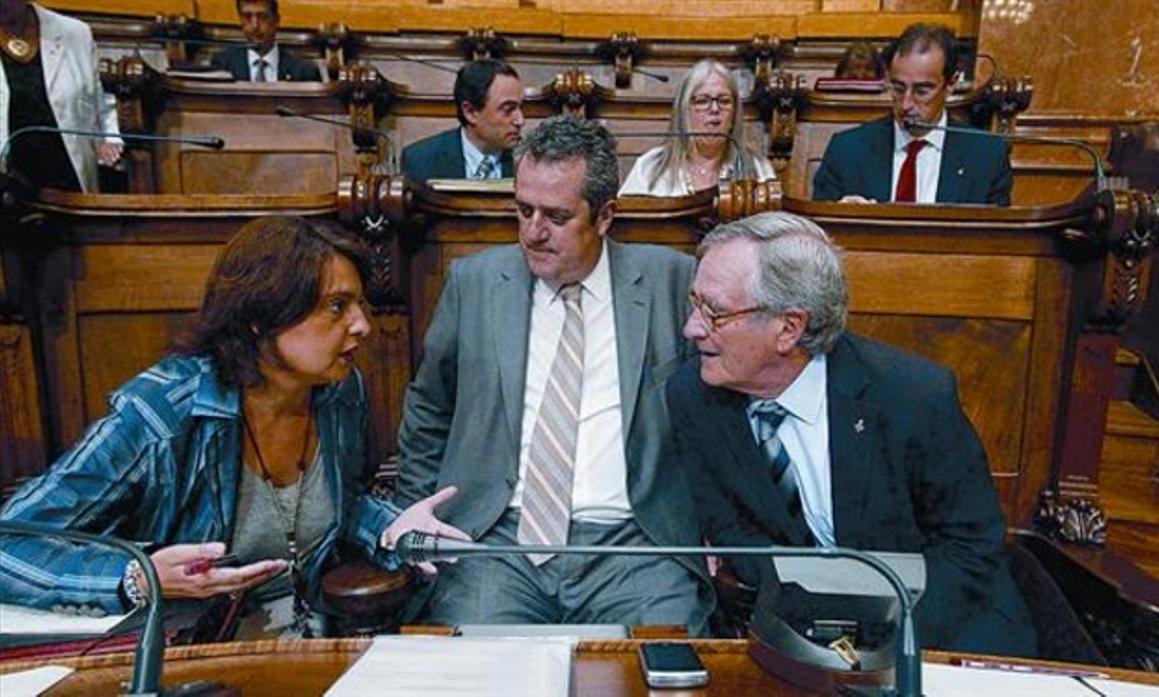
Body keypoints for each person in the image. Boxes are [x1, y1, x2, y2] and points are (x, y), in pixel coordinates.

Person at [0, 216, 462, 637]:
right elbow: (8, 546)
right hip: (198, 646)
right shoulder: (161, 413)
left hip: (321, 634)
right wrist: (138, 578)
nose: (362, 325)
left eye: (360, 304)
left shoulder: (340, 390)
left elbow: (342, 503)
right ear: (260, 319)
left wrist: (392, 528)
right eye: (337, 307)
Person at [385, 115, 712, 633]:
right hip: (495, 542)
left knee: (668, 667)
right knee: (469, 672)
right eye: (523, 210)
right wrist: (412, 517)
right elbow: (429, 409)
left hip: (634, 544)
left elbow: (718, 414)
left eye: (556, 216)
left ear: (605, 215)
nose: (533, 232)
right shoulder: (473, 283)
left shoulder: (672, 280)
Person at [665, 211, 1036, 655]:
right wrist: (817, 623)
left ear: (789, 328)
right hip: (793, 630)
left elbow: (969, 546)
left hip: (937, 623)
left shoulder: (913, 397)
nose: (691, 327)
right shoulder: (693, 395)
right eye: (694, 303)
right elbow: (730, 528)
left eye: (715, 313)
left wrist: (879, 641)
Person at [812, 23, 1012, 205]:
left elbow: (998, 241)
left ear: (950, 84)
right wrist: (842, 218)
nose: (906, 104)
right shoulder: (847, 150)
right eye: (898, 89)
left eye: (921, 91)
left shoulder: (987, 156)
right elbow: (815, 236)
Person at [0, 0, 122, 192]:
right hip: (8, 188)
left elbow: (98, 100)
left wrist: (109, 139)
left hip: (68, 180)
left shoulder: (75, 33)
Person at [619, 59, 774, 196]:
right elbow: (626, 226)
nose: (714, 109)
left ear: (734, 115)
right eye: (702, 101)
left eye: (724, 101)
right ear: (684, 111)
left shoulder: (758, 169)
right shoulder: (649, 168)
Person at [400, 59, 524, 185]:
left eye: (520, 107)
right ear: (470, 112)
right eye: (508, 109)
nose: (520, 120)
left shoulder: (531, 163)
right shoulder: (420, 161)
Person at [210, 0, 321, 82]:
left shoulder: (302, 70)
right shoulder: (223, 64)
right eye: (247, 17)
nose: (254, 26)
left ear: (276, 21)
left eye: (262, 17)